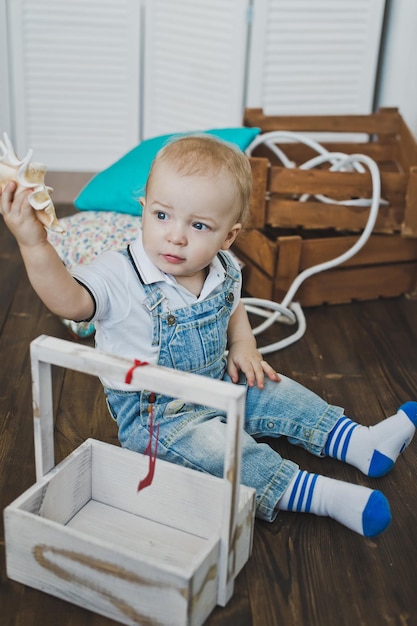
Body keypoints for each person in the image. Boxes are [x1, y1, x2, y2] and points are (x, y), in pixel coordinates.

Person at [1, 134, 416, 538]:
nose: (176, 236)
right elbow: (69, 302)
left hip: (218, 379)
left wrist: (243, 343)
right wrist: (34, 243)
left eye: (198, 225)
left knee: (280, 391)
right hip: (157, 417)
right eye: (162, 216)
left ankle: (360, 443)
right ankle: (318, 494)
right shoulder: (118, 274)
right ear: (144, 209)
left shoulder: (223, 266)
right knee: (225, 451)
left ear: (228, 236)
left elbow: (232, 303)